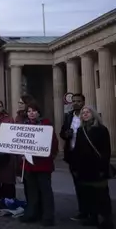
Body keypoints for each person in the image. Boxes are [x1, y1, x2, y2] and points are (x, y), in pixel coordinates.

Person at [71, 105, 112, 228]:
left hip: (98, 167)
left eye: (87, 112)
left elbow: (106, 151)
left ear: (93, 114)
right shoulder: (80, 130)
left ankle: (107, 219)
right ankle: (92, 217)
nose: (85, 114)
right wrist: (75, 167)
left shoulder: (102, 130)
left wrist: (103, 168)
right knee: (88, 194)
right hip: (84, 168)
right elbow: (77, 150)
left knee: (102, 195)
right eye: (83, 112)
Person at [19, 102, 58, 227]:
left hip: (43, 164)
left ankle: (48, 216)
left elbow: (53, 142)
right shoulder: (23, 125)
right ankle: (32, 214)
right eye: (29, 111)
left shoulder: (46, 124)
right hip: (29, 164)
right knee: (32, 191)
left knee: (45, 191)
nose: (31, 113)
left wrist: (50, 154)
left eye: (34, 111)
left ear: (38, 112)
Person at [60, 92, 87, 221]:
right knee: (78, 185)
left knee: (89, 185)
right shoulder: (68, 116)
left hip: (87, 156)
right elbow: (62, 133)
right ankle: (83, 211)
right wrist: (66, 134)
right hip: (73, 155)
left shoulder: (87, 116)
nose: (76, 103)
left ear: (83, 102)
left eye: (79, 101)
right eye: (74, 101)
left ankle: (93, 212)